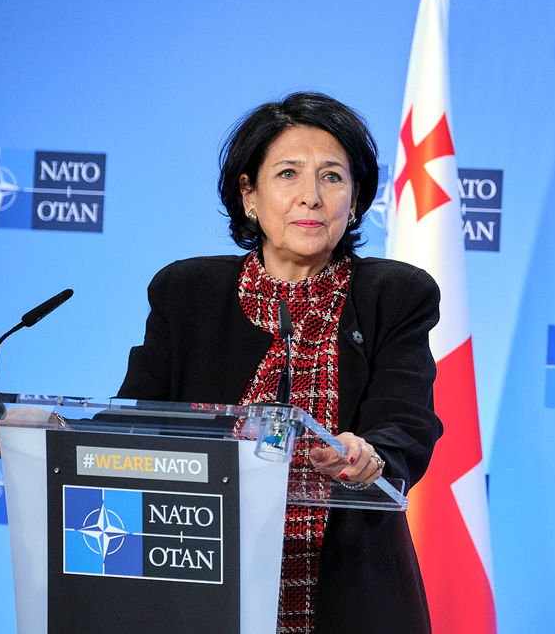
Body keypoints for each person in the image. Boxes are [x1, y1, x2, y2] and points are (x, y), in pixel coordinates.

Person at [118, 91, 442, 634]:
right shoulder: (187, 292)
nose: (310, 197)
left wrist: (370, 455)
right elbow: (136, 422)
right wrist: (44, 438)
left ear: (355, 200)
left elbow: (406, 422)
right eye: (288, 174)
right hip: (198, 576)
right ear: (249, 194)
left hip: (351, 588)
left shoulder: (396, 294)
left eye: (332, 177)